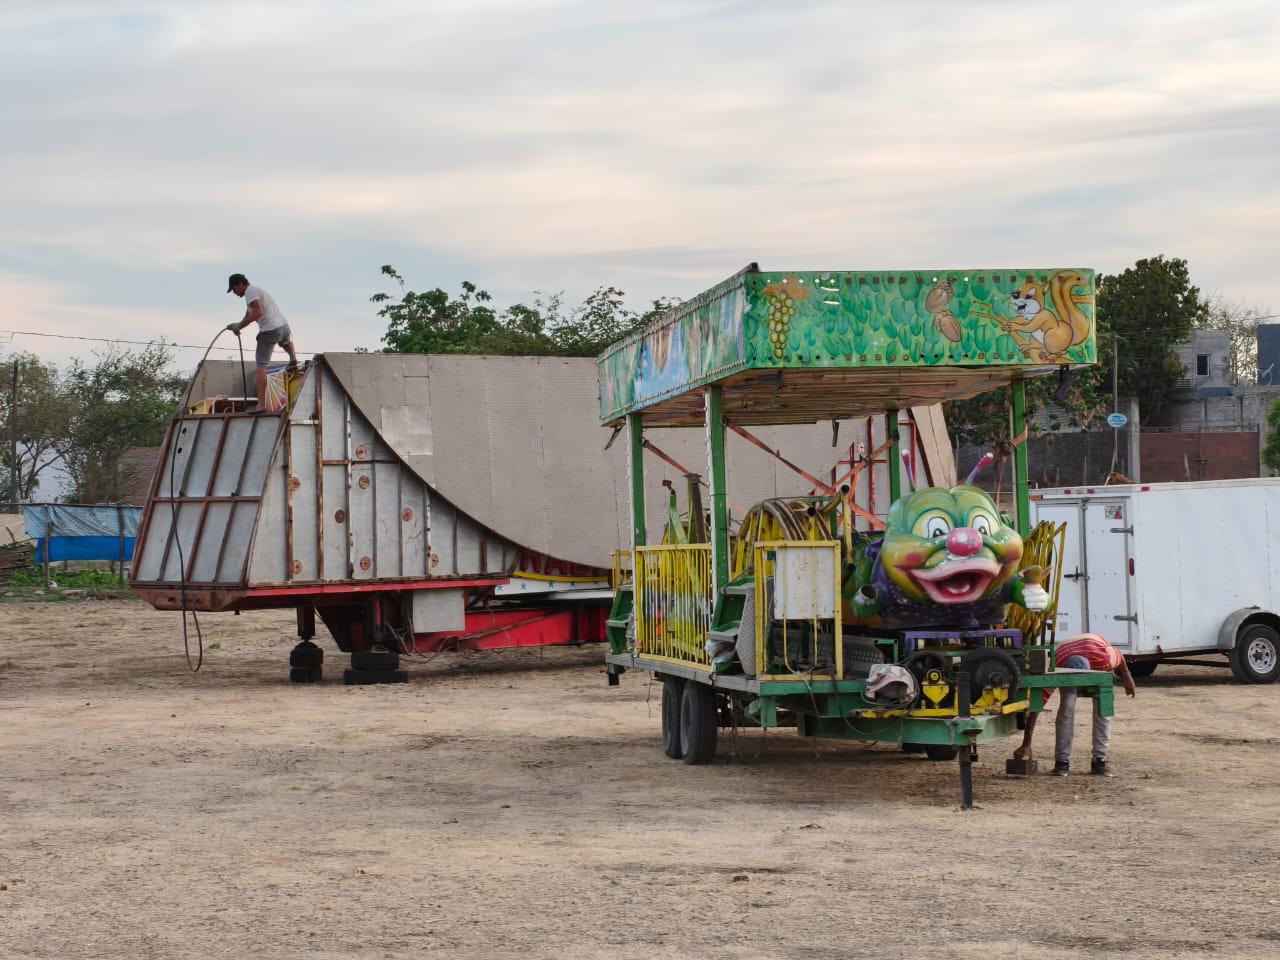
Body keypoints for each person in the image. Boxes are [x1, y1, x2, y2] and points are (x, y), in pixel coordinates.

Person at [1012, 632, 1136, 777]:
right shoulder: (1057, 665)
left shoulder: (1104, 660)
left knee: (1104, 709)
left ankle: (1099, 761)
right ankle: (1061, 763)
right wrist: (1026, 743)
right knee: (1066, 708)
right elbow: (1037, 706)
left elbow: (1119, 656)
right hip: (1067, 658)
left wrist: (1128, 677)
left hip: (1096, 655)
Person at [225, 273, 300, 408]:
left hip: (269, 330)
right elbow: (250, 313)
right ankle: (293, 358)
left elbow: (258, 312)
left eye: (234, 290)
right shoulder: (256, 291)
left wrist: (240, 326)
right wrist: (238, 324)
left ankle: (261, 404)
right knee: (285, 340)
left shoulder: (250, 292)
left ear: (240, 284)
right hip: (283, 326)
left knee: (261, 366)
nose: (235, 293)